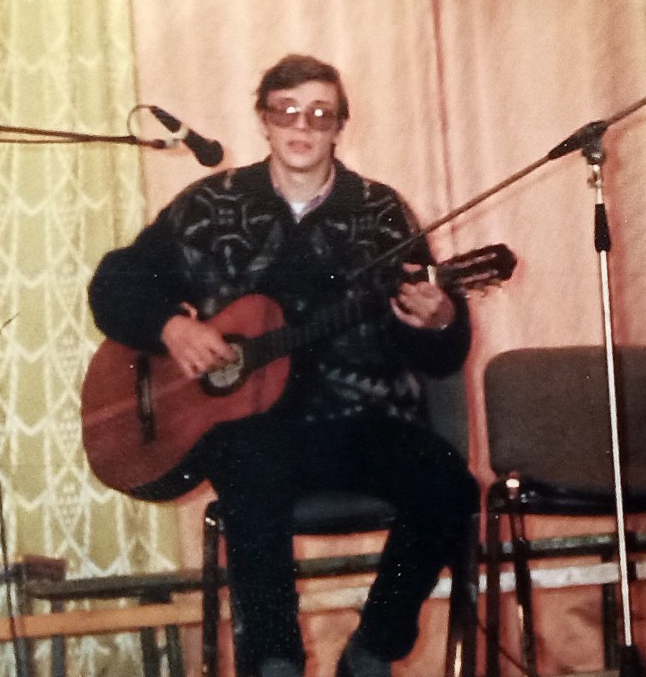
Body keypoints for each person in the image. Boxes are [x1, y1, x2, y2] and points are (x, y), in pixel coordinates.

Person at [88, 54, 479, 677]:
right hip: (250, 431)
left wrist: (440, 321)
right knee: (251, 465)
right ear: (263, 121)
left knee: (448, 482)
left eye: (320, 114)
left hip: (359, 424)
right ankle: (274, 662)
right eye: (286, 111)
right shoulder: (209, 205)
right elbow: (115, 283)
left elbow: (439, 356)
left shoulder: (381, 212)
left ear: (340, 126)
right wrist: (171, 326)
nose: (302, 126)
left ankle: (374, 648)